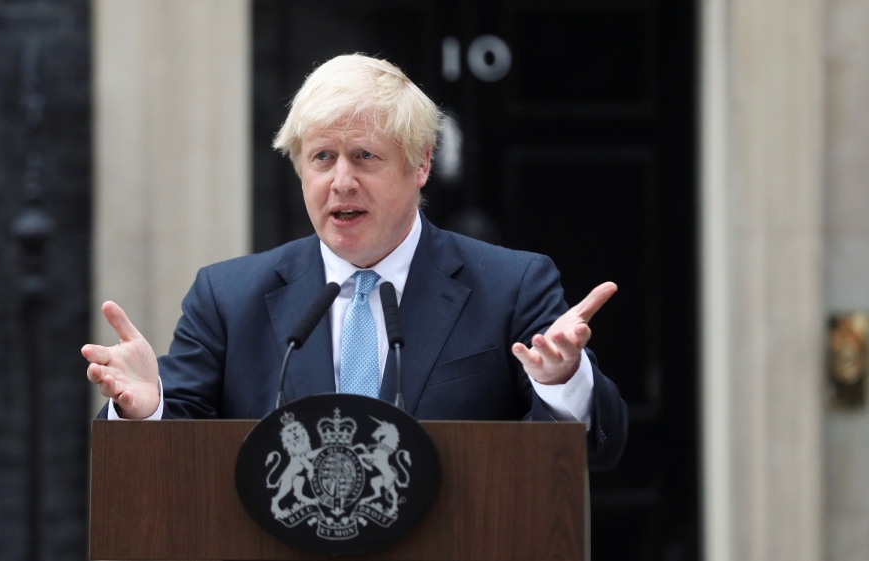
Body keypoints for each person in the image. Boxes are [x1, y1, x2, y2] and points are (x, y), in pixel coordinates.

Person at [82, 54, 627, 470]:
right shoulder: (227, 298)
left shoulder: (511, 286)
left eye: (365, 156)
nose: (341, 181)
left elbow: (596, 452)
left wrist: (562, 384)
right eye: (322, 157)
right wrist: (146, 410)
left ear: (420, 165)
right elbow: (174, 458)